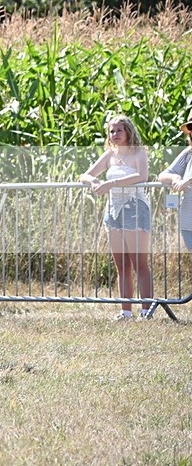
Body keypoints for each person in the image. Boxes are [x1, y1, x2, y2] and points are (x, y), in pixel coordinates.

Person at [79, 115, 153, 320]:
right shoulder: (109, 155)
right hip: (113, 212)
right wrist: (94, 182)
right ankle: (126, 310)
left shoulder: (139, 153)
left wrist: (110, 184)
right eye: (111, 131)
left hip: (135, 209)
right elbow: (84, 175)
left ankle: (147, 310)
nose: (115, 135)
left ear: (128, 131)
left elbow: (142, 177)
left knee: (140, 263)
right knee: (121, 264)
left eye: (119, 130)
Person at [157, 110, 192, 250]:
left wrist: (188, 180)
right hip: (188, 220)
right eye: (191, 127)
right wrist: (175, 177)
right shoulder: (188, 153)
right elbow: (162, 175)